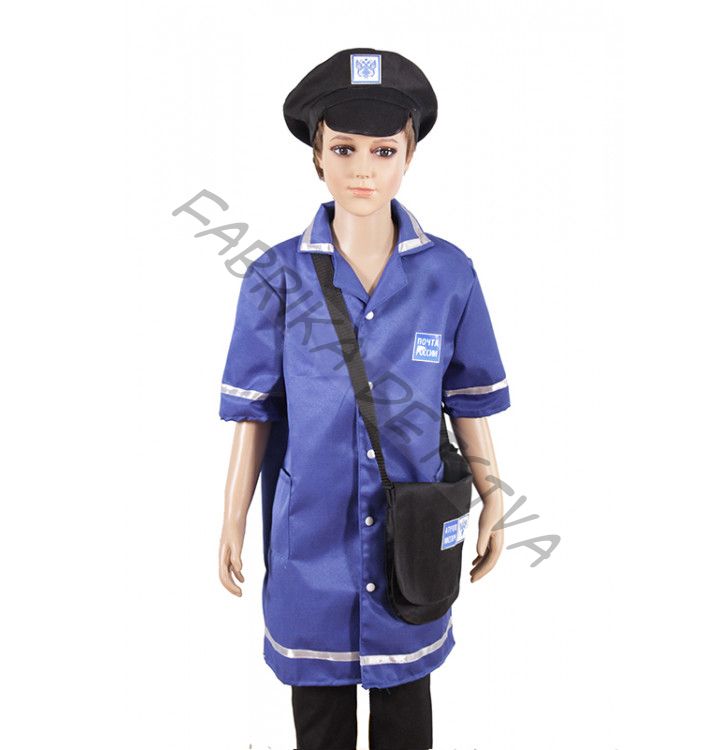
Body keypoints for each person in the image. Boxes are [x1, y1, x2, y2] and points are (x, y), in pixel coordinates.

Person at [218, 48, 512, 750]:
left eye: (383, 151)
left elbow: (468, 400)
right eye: (343, 148)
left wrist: (493, 496)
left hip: (412, 539)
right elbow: (255, 412)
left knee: (407, 716)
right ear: (316, 155)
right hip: (309, 539)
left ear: (409, 156)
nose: (362, 169)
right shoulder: (275, 275)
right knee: (319, 724)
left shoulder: (449, 275)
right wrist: (231, 517)